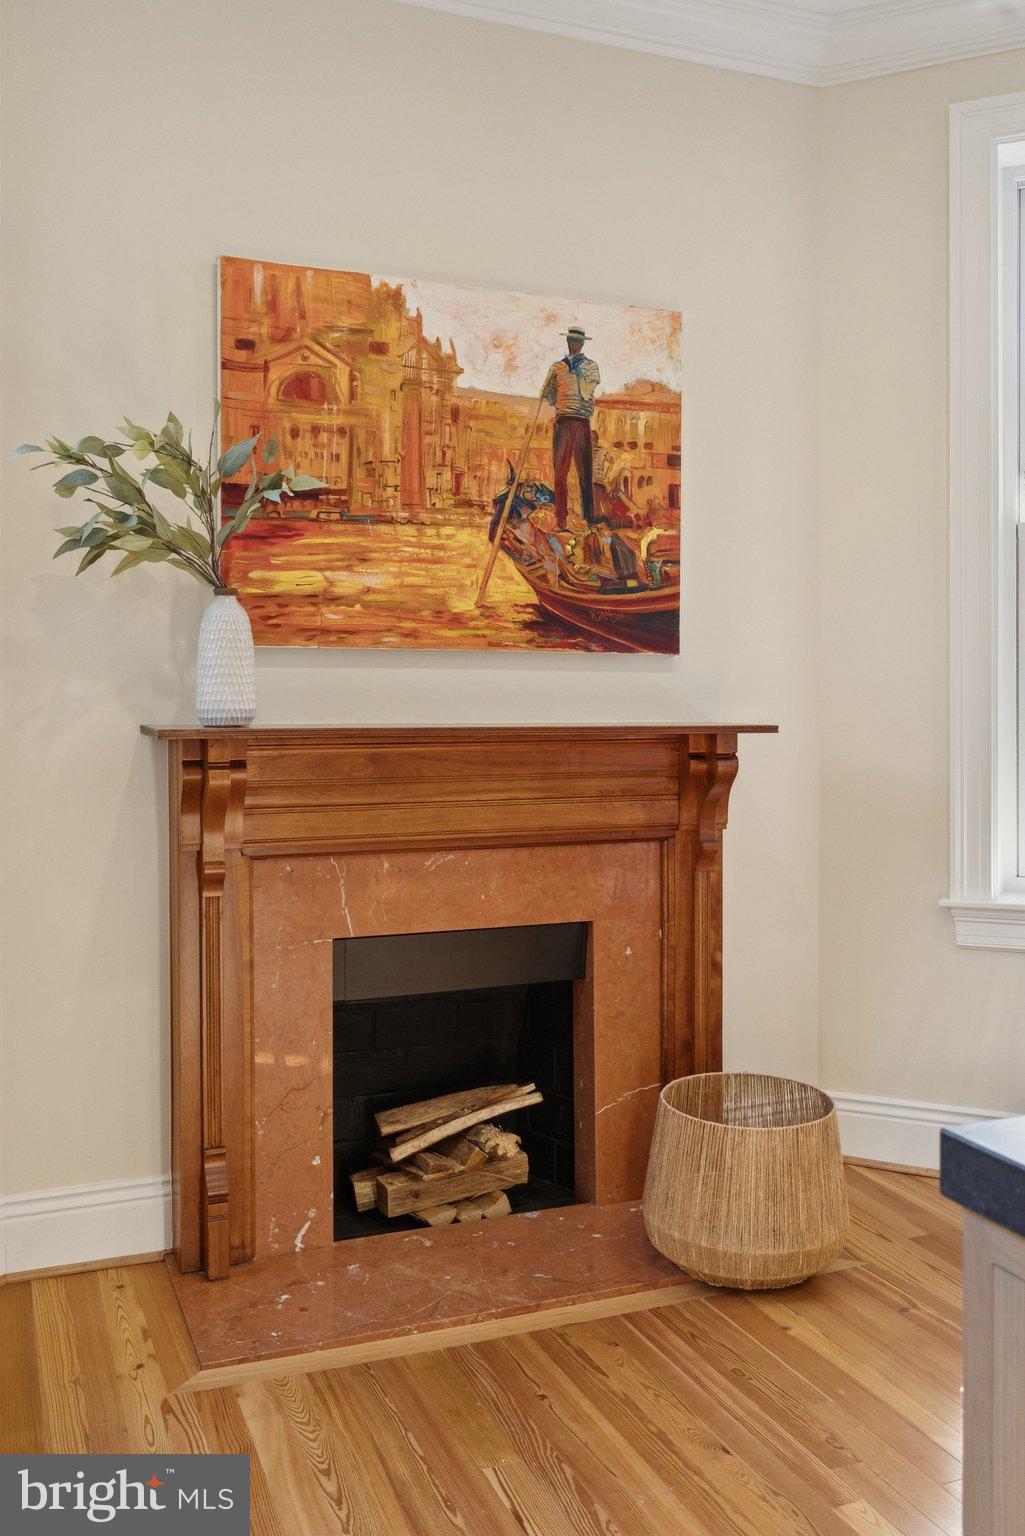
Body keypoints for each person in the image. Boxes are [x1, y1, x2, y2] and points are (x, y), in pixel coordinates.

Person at [542, 326, 600, 529]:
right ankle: (561, 521)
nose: (573, 344)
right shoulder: (557, 367)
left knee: (585, 474)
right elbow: (548, 394)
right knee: (560, 474)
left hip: (581, 422)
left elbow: (588, 390)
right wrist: (558, 399)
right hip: (563, 422)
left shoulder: (591, 366)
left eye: (577, 341)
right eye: (571, 341)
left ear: (582, 344)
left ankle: (589, 519)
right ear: (567, 343)